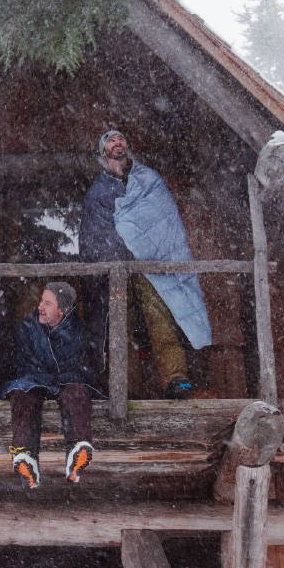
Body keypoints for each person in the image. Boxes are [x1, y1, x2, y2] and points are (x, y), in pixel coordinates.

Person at [80, 129, 212, 398]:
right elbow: (96, 232)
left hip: (150, 262)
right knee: (119, 325)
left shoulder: (148, 179)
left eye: (121, 138)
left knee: (160, 316)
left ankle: (175, 378)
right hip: (118, 268)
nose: (118, 143)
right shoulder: (99, 190)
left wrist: (145, 244)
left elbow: (162, 220)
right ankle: (127, 384)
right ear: (103, 151)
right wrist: (120, 250)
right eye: (111, 140)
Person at [0, 282, 99, 488]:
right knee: (23, 395)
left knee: (76, 392)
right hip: (35, 378)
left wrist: (63, 377)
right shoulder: (28, 327)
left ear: (62, 310)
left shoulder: (77, 331)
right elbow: (21, 360)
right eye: (41, 301)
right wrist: (39, 375)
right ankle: (24, 455)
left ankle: (78, 449)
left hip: (65, 378)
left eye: (47, 303)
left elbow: (82, 365)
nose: (40, 307)